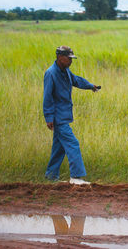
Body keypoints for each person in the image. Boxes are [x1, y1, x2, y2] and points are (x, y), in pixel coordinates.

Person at [43, 46, 99, 185]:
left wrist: (90, 85)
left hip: (64, 115)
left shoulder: (65, 71)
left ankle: (51, 176)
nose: (70, 61)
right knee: (73, 144)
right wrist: (49, 117)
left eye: (71, 59)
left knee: (59, 147)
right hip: (58, 117)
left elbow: (76, 80)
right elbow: (47, 97)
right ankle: (76, 176)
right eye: (69, 58)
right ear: (60, 57)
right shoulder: (51, 73)